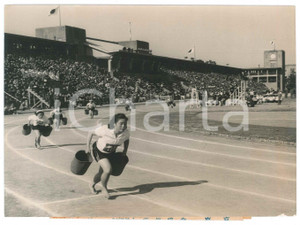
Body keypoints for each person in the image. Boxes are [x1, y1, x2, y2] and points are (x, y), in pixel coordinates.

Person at [86, 113, 130, 199]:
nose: (123, 126)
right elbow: (90, 132)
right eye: (121, 123)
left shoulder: (125, 133)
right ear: (114, 124)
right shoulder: (105, 130)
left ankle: (91, 184)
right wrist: (87, 147)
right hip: (98, 151)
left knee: (102, 173)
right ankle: (104, 188)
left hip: (111, 153)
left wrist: (125, 150)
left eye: (125, 123)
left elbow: (127, 140)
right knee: (108, 169)